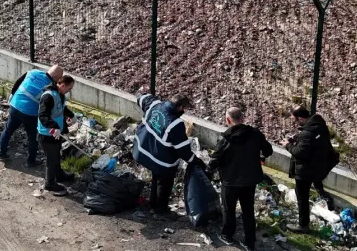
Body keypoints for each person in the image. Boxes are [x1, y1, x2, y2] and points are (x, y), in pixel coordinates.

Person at [207, 107, 273, 251]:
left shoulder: (225, 139)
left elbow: (215, 159)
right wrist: (259, 155)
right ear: (242, 118)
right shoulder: (255, 134)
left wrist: (208, 170)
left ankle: (227, 235)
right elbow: (268, 150)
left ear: (227, 120)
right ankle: (250, 243)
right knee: (248, 210)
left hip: (230, 181)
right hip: (250, 180)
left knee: (229, 209)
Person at [133, 94, 200, 217]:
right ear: (179, 107)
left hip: (142, 150)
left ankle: (153, 203)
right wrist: (194, 160)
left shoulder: (155, 105)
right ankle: (161, 211)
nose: (183, 111)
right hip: (160, 159)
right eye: (183, 108)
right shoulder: (175, 123)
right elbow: (183, 149)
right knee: (165, 182)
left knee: (156, 177)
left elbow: (142, 98)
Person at [284, 105, 338, 233]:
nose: (295, 122)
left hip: (305, 171)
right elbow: (313, 143)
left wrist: (288, 145)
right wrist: (299, 138)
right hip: (318, 166)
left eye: (295, 120)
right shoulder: (320, 126)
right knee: (314, 187)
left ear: (301, 118)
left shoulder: (307, 133)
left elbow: (300, 153)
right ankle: (323, 196)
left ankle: (303, 225)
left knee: (302, 197)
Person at [0, 65, 64, 165]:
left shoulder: (33, 72)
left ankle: (1, 154)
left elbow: (18, 82)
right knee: (32, 137)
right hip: (30, 113)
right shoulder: (51, 87)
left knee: (7, 130)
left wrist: (13, 94)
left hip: (15, 105)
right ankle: (31, 161)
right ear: (58, 78)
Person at [37, 75, 76, 196]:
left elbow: (61, 108)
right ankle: (49, 183)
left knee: (56, 154)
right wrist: (53, 126)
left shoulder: (59, 95)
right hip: (47, 134)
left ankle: (59, 175)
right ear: (62, 85)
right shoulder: (48, 96)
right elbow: (43, 115)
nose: (69, 91)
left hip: (55, 133)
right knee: (51, 158)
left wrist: (71, 115)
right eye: (69, 89)